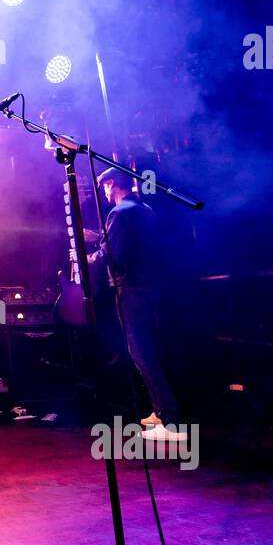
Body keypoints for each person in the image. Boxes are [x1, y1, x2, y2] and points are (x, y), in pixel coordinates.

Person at [87, 167, 186, 442]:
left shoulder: (118, 213)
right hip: (149, 287)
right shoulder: (144, 209)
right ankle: (161, 411)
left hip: (129, 288)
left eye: (105, 187)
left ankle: (171, 419)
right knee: (150, 349)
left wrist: (89, 257)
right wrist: (99, 238)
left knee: (140, 351)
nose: (104, 193)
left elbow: (114, 255)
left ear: (112, 184)